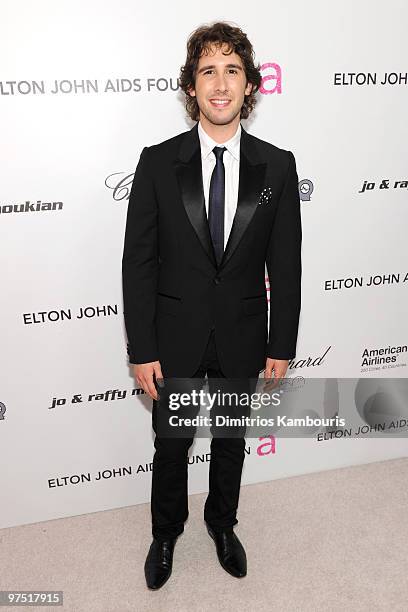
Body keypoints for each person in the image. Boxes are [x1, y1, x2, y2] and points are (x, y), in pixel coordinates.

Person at [122, 21, 302, 590]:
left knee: (230, 441)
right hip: (174, 335)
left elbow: (286, 263)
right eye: (208, 71)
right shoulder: (156, 162)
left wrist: (282, 344)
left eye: (232, 70)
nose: (220, 84)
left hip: (244, 333)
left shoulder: (277, 166)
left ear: (250, 85)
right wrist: (143, 348)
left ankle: (222, 525)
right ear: (191, 86)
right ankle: (165, 533)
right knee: (171, 446)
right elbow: (138, 264)